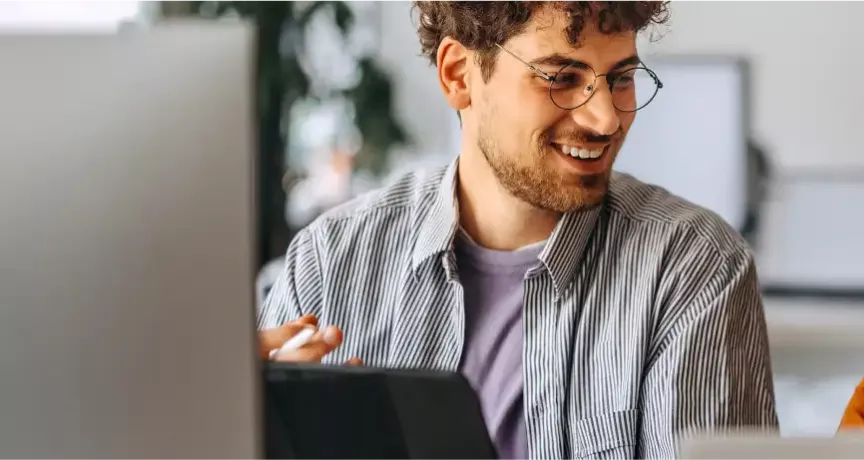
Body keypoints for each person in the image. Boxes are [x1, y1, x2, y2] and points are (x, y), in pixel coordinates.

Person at [259, 0, 779, 458]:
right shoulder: (329, 261)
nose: (605, 119)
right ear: (458, 75)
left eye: (620, 78)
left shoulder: (693, 267)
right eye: (561, 78)